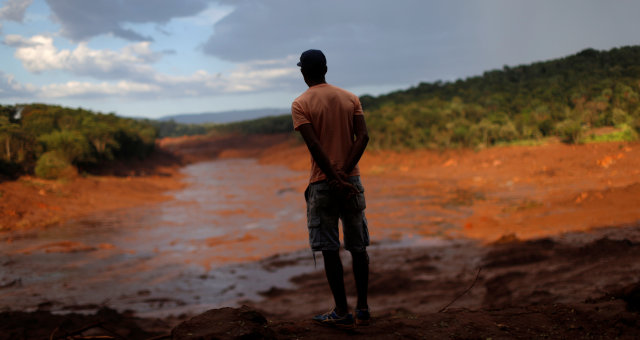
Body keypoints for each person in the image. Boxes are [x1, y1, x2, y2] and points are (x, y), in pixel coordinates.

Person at [291, 49, 371, 328]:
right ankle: (362, 309)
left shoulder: (300, 103)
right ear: (326, 67)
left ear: (303, 72)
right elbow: (363, 136)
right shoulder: (350, 98)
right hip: (352, 181)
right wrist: (345, 174)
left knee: (329, 248)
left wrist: (334, 179)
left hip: (322, 183)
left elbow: (314, 145)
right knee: (358, 247)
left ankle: (341, 311)